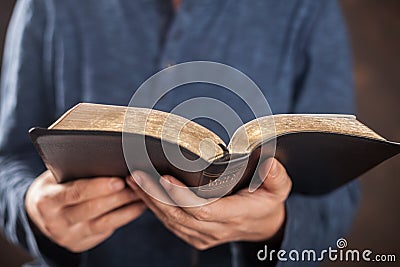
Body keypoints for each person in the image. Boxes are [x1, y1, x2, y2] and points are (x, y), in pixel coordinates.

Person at [0, 0, 360, 266]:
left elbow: (338, 197)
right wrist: (33, 210)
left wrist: (274, 228)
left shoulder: (308, 8)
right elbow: (7, 161)